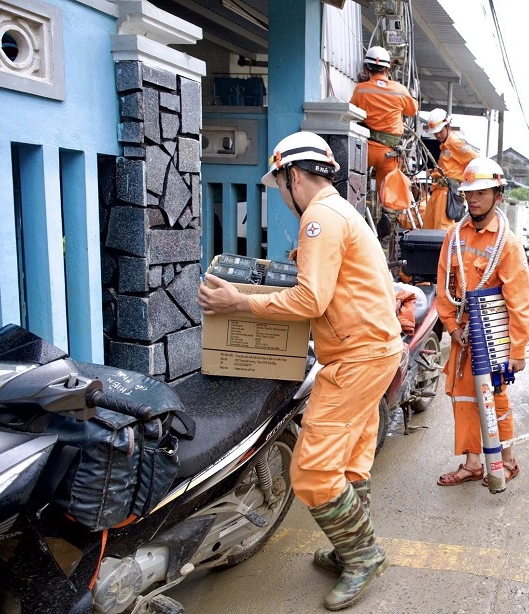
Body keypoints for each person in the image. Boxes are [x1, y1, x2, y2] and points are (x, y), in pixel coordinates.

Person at [197, 131, 402, 612]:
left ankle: (364, 555)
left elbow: (311, 299)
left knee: (311, 470)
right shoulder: (341, 212)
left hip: (357, 356)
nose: (282, 197)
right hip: (372, 349)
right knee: (350, 458)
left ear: (292, 175)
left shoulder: (319, 220)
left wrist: (238, 302)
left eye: (280, 184)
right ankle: (349, 545)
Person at [435, 157, 529, 487]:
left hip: (494, 335)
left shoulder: (508, 243)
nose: (473, 199)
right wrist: (452, 326)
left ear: (498, 195)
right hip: (464, 333)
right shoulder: (454, 236)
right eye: (469, 193)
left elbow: (519, 301)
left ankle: (507, 461)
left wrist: (517, 351)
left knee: (495, 398)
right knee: (462, 397)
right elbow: (444, 287)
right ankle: (472, 462)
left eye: (482, 192)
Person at [349, 45, 418, 190]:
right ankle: (388, 212)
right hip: (389, 153)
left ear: (367, 69)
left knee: (354, 187)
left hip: (366, 150)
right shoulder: (399, 90)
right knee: (388, 193)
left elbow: (351, 112)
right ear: (387, 69)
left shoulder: (361, 89)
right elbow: (413, 111)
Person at [421, 108, 478, 231]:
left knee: (443, 229)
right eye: (435, 133)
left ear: (448, 126)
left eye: (440, 131)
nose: (437, 135)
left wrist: (467, 183)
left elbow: (475, 160)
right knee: (428, 227)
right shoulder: (444, 146)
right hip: (438, 190)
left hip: (447, 193)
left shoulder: (455, 143)